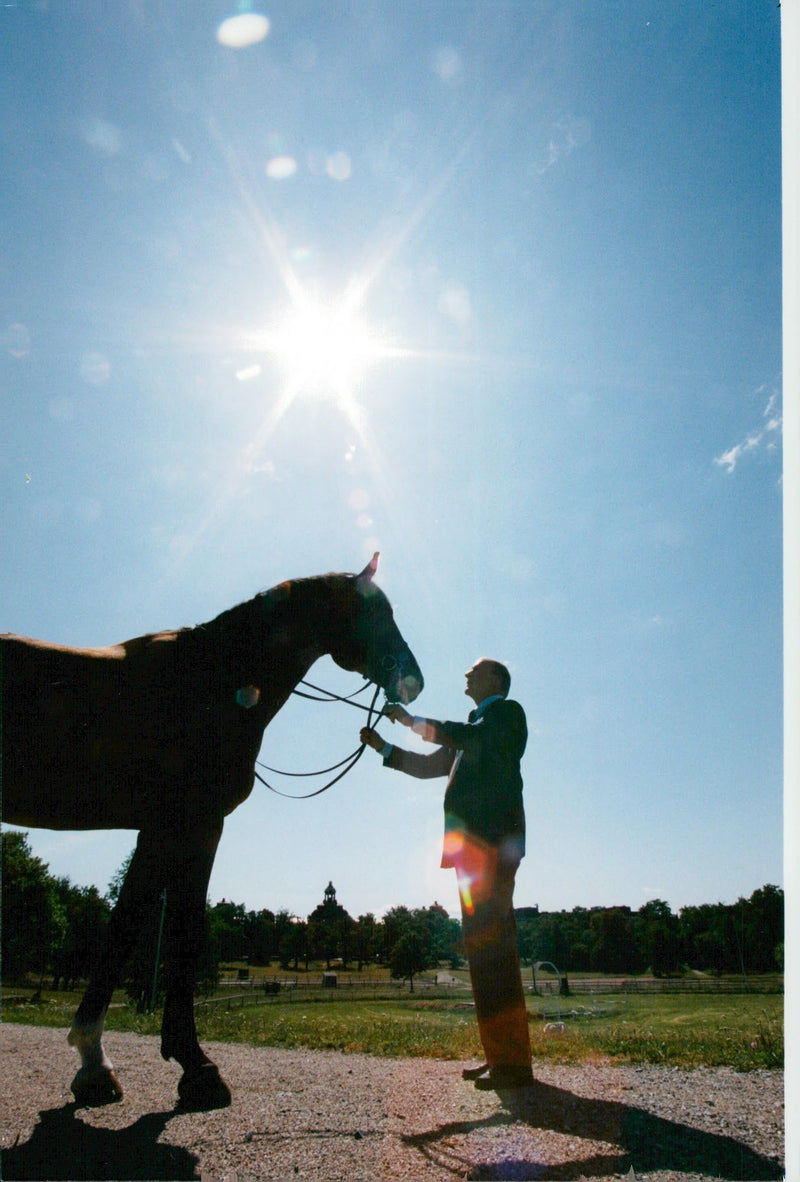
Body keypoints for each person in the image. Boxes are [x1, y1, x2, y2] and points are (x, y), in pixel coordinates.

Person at [360, 657, 533, 1090]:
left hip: (492, 847)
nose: (466, 675)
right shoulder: (472, 730)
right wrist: (383, 746)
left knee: (494, 952)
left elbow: (471, 737)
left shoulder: (505, 717)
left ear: (496, 680)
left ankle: (513, 1065)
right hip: (470, 854)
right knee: (481, 955)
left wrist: (411, 719)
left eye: (475, 671)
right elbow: (426, 767)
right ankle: (500, 1056)